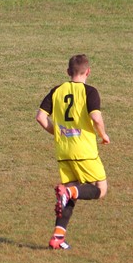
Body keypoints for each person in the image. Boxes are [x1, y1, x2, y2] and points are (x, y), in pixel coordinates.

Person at [35, 54, 110, 250]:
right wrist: (104, 135)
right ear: (88, 72)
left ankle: (57, 238)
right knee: (100, 190)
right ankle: (69, 191)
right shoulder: (90, 92)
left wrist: (57, 132)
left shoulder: (56, 91)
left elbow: (40, 117)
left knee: (67, 197)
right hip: (84, 150)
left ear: (68, 72)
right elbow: (96, 118)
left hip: (63, 151)